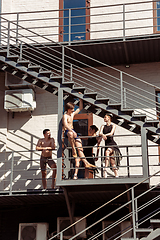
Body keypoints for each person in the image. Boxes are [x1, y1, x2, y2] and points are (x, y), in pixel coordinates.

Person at [62, 97, 96, 180]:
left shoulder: (72, 114)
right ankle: (73, 148)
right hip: (68, 131)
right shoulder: (65, 116)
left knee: (80, 148)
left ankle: (86, 162)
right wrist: (72, 131)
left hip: (73, 131)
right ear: (68, 109)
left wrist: (80, 99)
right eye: (72, 109)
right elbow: (66, 125)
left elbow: (80, 108)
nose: (73, 110)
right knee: (70, 134)